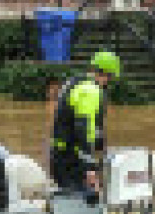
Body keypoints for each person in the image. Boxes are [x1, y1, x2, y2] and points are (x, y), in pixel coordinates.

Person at [49, 51, 121, 203]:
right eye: (110, 78)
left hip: (60, 155)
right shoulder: (90, 91)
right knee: (84, 199)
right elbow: (83, 128)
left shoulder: (76, 83)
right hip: (72, 158)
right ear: (106, 74)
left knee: (72, 197)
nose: (108, 83)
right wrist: (89, 167)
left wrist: (101, 148)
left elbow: (91, 128)